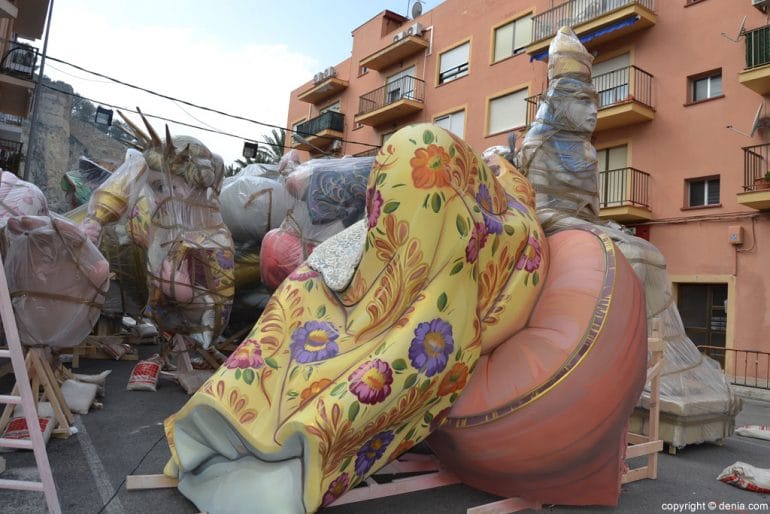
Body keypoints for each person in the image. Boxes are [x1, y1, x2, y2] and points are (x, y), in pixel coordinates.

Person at [163, 123, 548, 514]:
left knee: (392, 352)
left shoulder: (484, 235)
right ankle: (232, 420)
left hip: (428, 245)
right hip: (387, 247)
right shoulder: (345, 250)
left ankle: (271, 446)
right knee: (299, 316)